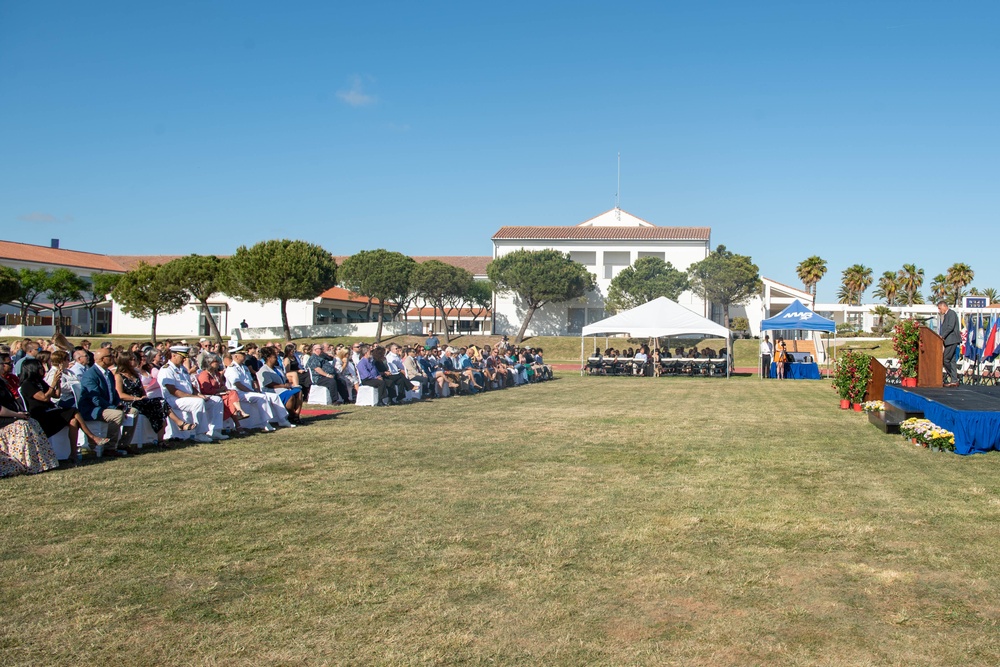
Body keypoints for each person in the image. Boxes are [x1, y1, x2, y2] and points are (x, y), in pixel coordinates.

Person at [19, 358, 110, 459]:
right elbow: (44, 398)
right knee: (74, 411)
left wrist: (57, 382)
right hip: (40, 415)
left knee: (74, 420)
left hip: (50, 411)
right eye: (39, 367)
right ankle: (91, 437)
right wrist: (53, 383)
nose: (42, 369)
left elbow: (56, 395)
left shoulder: (39, 382)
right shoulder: (27, 384)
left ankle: (73, 453)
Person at [0, 356, 58, 476]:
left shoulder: (3, 382)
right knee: (23, 425)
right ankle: (25, 464)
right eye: (6, 363)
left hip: (12, 415)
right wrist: (17, 415)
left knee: (33, 422)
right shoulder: (26, 383)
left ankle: (42, 463)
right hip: (4, 419)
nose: (11, 365)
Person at [157, 346, 227, 443]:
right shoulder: (167, 370)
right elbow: (173, 391)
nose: (184, 359)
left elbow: (189, 386)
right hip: (173, 399)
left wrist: (198, 394)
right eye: (182, 357)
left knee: (216, 400)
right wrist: (195, 397)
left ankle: (215, 430)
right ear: (173, 355)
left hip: (187, 397)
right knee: (198, 402)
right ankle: (200, 433)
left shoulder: (182, 369)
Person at [77, 347, 135, 454]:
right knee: (117, 414)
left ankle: (123, 444)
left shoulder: (108, 373)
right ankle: (109, 448)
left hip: (107, 407)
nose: (113, 358)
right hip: (94, 409)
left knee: (133, 411)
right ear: (102, 359)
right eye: (110, 356)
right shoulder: (90, 375)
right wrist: (114, 408)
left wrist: (120, 405)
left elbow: (114, 393)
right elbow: (95, 398)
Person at [115, 351, 182, 442]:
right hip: (129, 402)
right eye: (131, 359)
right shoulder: (119, 376)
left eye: (135, 359)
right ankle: (178, 423)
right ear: (124, 361)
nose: (134, 361)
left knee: (160, 405)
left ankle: (160, 439)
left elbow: (142, 390)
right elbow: (120, 394)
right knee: (160, 403)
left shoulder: (135, 375)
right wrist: (136, 398)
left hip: (141, 401)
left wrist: (143, 396)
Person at [257, 347, 302, 423]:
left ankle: (296, 415)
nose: (276, 359)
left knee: (299, 391)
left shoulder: (278, 368)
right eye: (274, 357)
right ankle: (292, 414)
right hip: (273, 390)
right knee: (290, 397)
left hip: (284, 388)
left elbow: (284, 379)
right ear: (268, 358)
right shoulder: (263, 370)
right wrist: (283, 386)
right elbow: (268, 384)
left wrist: (287, 383)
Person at [938, 300, 962, 386]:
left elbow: (950, 327)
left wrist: (942, 336)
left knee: (945, 360)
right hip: (948, 341)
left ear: (944, 306)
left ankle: (954, 378)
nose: (939, 311)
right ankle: (954, 380)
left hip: (952, 340)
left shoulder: (951, 313)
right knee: (952, 361)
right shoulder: (947, 315)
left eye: (940, 309)